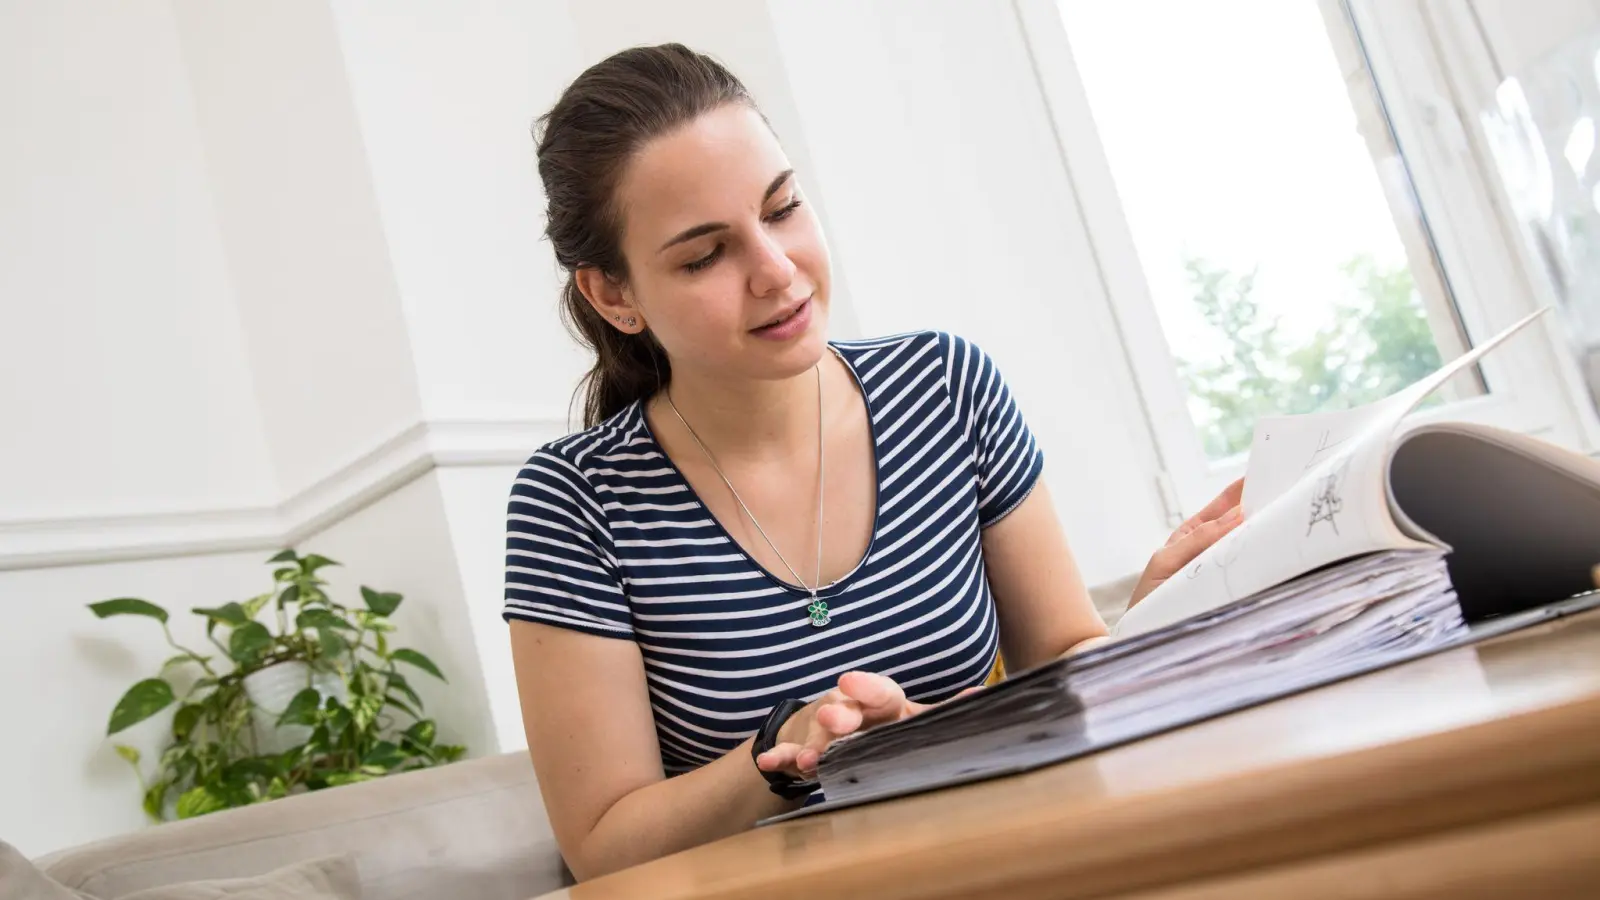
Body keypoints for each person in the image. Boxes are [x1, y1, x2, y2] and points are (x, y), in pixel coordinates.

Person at [504, 43, 1245, 881]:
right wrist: (779, 751)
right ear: (614, 294)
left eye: (782, 208)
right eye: (705, 255)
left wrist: (1148, 625)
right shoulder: (574, 501)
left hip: (1014, 861)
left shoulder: (946, 385)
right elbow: (602, 845)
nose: (777, 271)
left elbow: (1061, 669)